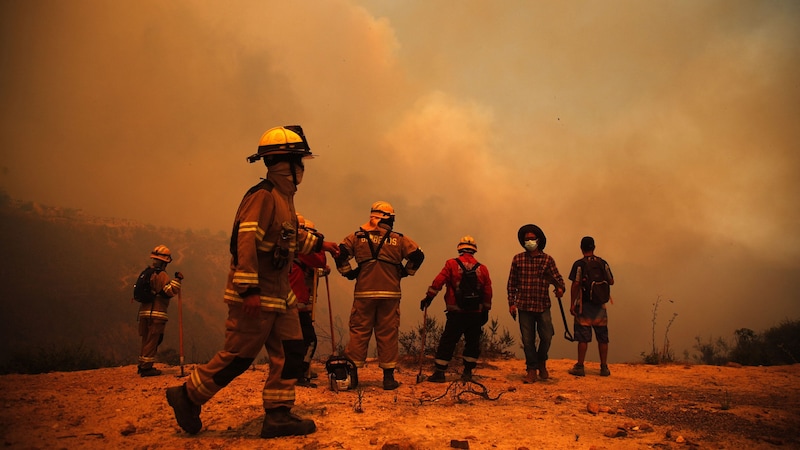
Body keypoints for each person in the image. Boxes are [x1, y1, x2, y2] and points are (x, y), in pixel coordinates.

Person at [166, 125, 340, 439]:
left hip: (280, 296)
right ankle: (188, 395)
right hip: (257, 295)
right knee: (238, 357)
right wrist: (248, 290)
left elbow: (285, 238)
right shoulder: (263, 196)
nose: (302, 168)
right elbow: (244, 241)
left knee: (292, 352)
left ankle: (278, 415)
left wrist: (319, 244)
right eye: (299, 160)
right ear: (285, 162)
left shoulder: (284, 199)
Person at [334, 201, 425, 390]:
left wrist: (348, 272)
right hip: (390, 295)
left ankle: (352, 376)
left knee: (359, 332)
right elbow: (418, 256)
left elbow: (339, 253)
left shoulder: (357, 237)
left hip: (364, 294)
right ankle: (388, 378)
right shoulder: (399, 239)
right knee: (388, 333)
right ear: (388, 219)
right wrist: (406, 272)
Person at [420, 235, 492, 383]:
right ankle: (467, 372)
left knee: (448, 341)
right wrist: (485, 310)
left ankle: (440, 373)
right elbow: (488, 292)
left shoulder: (451, 264)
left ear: (459, 248)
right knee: (472, 342)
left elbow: (438, 282)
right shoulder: (482, 268)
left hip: (456, 312)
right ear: (474, 250)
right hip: (475, 313)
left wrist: (428, 298)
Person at [507, 224, 565, 383]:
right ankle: (531, 369)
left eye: (532, 238)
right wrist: (511, 303)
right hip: (524, 306)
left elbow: (559, 281)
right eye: (527, 239)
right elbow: (512, 283)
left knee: (547, 336)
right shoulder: (518, 259)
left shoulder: (547, 260)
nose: (529, 241)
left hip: (542, 305)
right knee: (527, 340)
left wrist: (560, 290)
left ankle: (542, 361)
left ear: (539, 240)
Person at [290, 215, 330, 387]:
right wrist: (319, 244)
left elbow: (307, 270)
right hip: (296, 304)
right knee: (309, 339)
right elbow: (319, 260)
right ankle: (299, 374)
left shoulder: (287, 248)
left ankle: (291, 372)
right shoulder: (301, 249)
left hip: (286, 302)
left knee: (288, 341)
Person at [568, 236, 615, 377]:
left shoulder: (579, 264)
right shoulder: (602, 263)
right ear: (594, 247)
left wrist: (572, 303)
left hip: (584, 305)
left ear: (581, 248)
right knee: (602, 337)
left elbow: (575, 284)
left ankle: (580, 366)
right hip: (600, 305)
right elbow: (611, 281)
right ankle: (604, 367)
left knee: (583, 338)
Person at [137, 245, 183, 377]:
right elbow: (167, 292)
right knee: (153, 340)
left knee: (146, 339)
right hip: (156, 313)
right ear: (165, 261)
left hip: (144, 312)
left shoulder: (148, 272)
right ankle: (147, 368)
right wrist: (177, 281)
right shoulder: (161, 274)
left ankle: (142, 365)